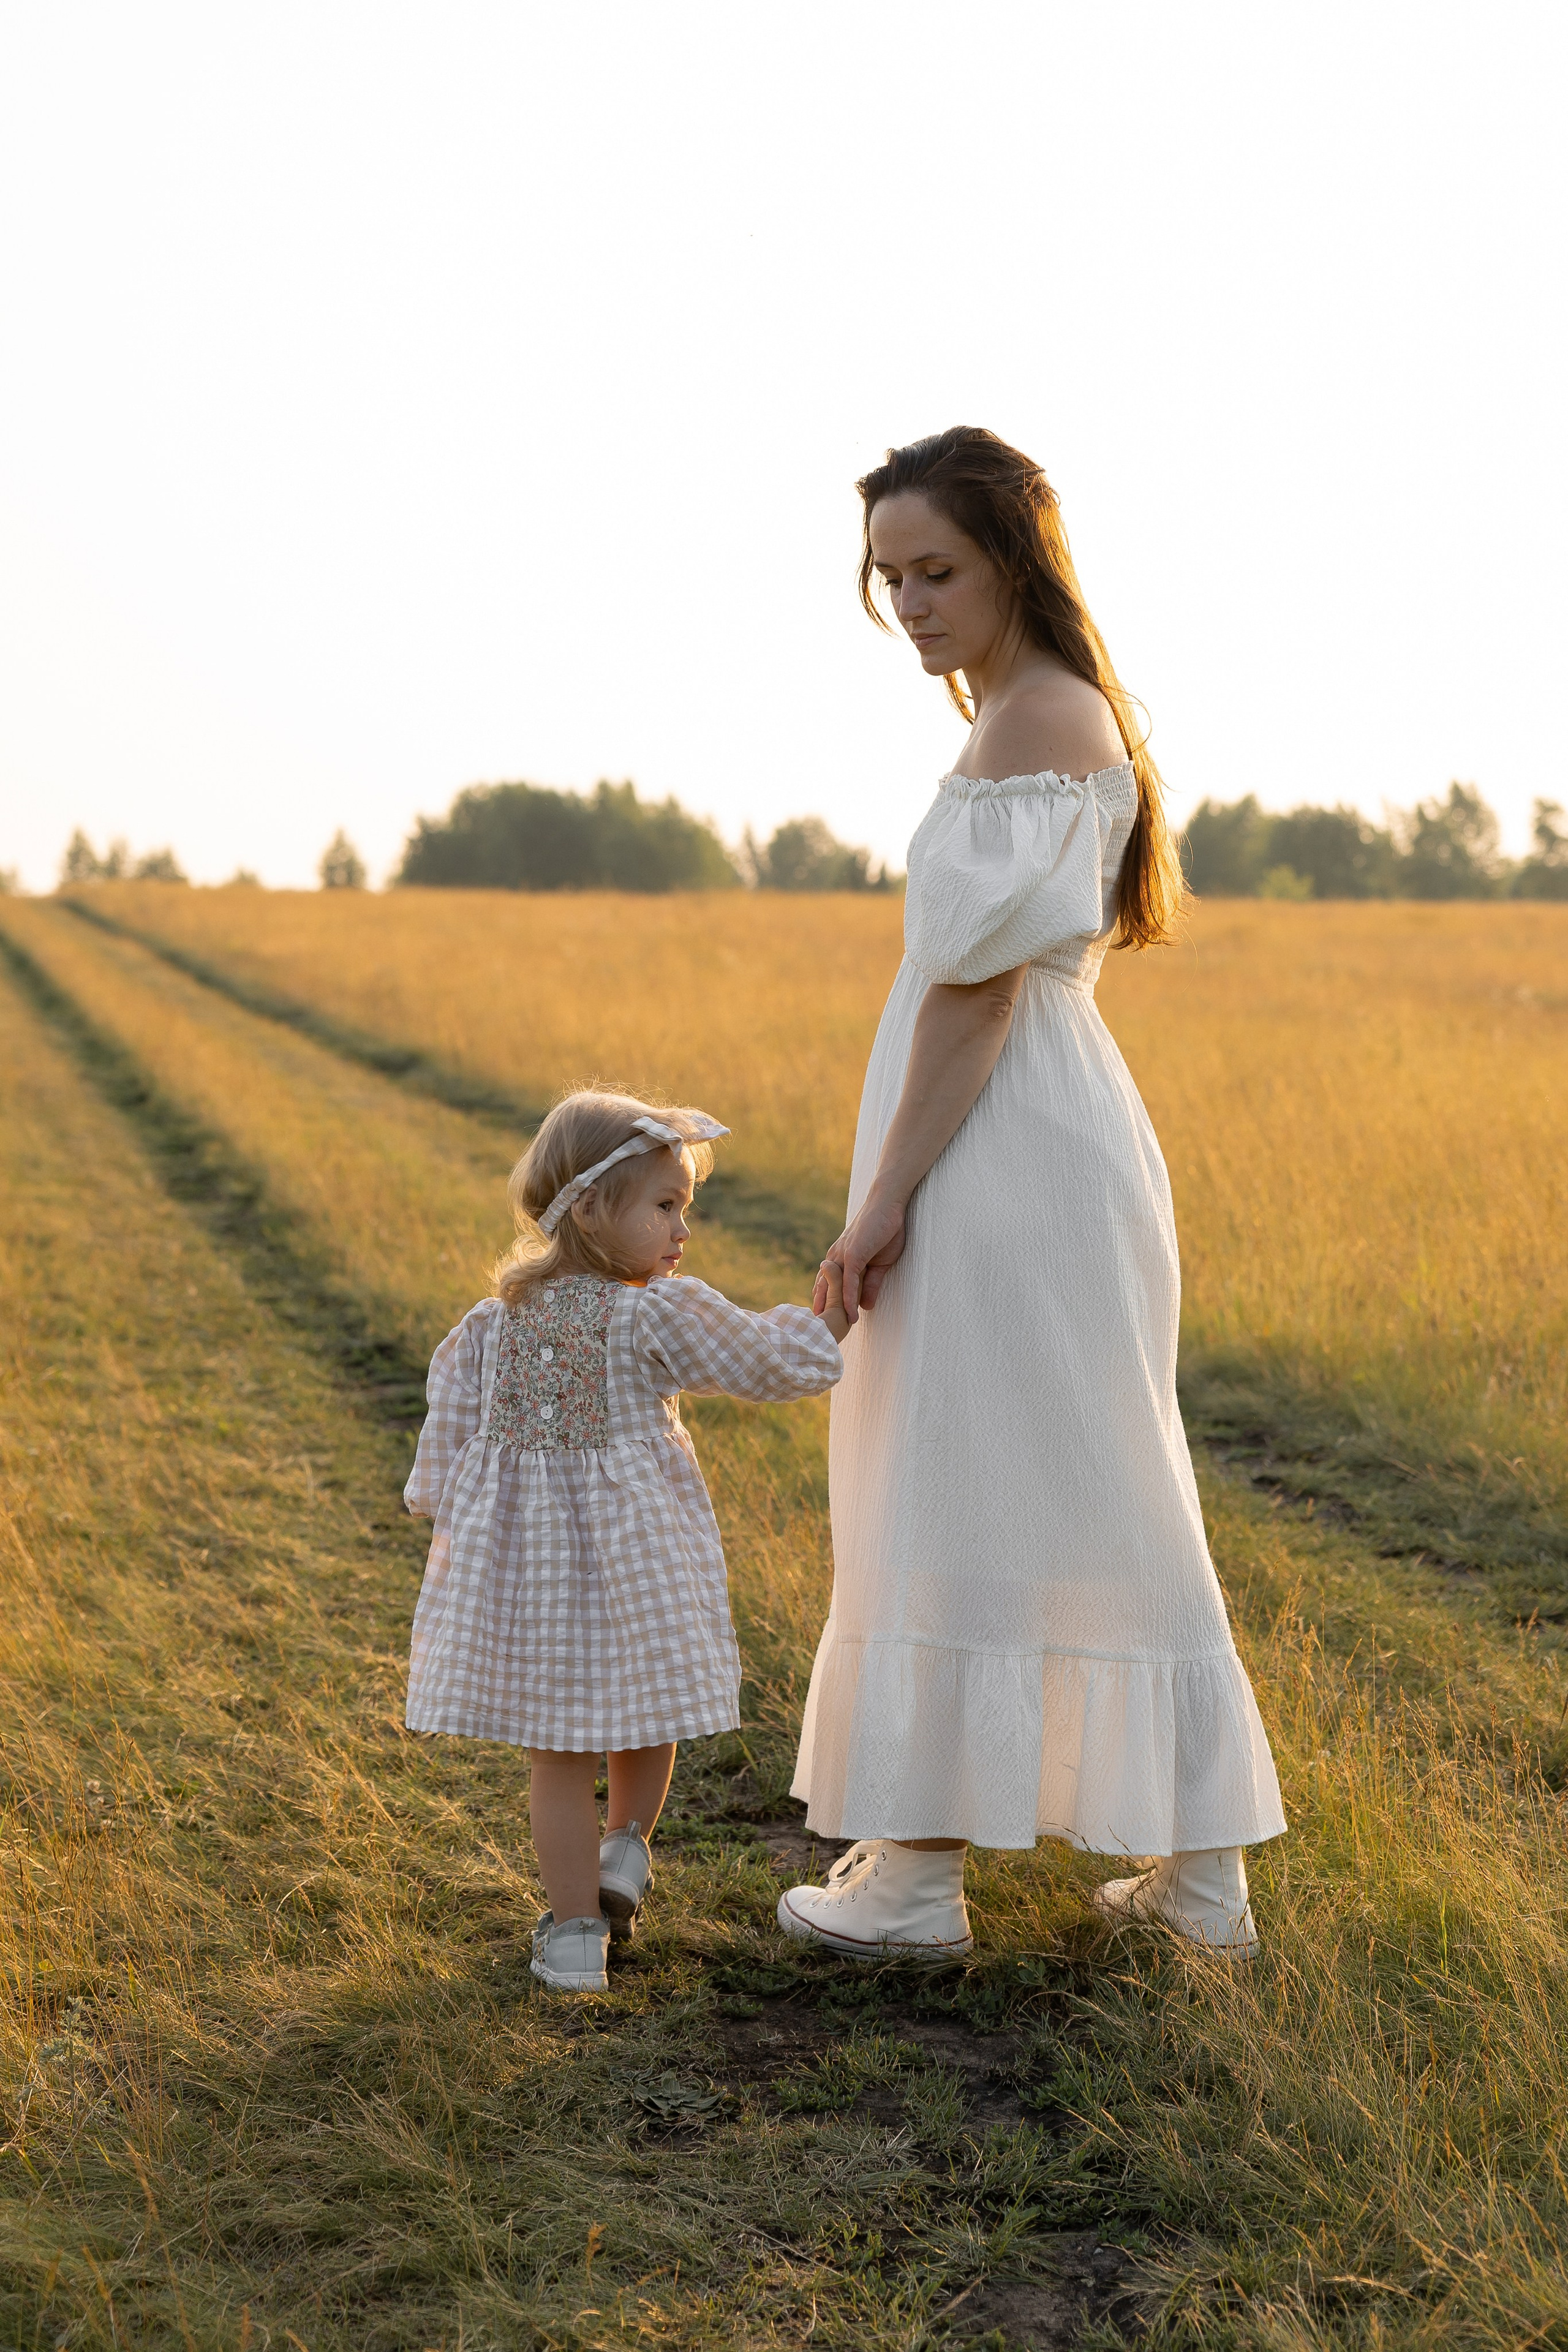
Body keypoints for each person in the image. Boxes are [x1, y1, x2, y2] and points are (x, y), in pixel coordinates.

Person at [777, 427, 1285, 1961]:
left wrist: (881, 1202)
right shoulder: (1039, 707)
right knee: (1076, 1476)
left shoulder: (1034, 716)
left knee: (954, 1471)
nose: (910, 605)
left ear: (1013, 557)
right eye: (889, 579)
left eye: (935, 570)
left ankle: (918, 1882)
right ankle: (1194, 1884)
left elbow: (976, 993)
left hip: (998, 1144)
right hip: (1034, 1137)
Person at [404, 1090, 848, 1994]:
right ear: (592, 1210)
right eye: (665, 1205)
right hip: (640, 1562)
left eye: (686, 1205)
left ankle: (576, 1936)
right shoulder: (651, 1316)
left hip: (530, 1578)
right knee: (648, 1709)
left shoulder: (489, 1324)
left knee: (557, 1756)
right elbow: (768, 1361)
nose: (683, 1228)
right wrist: (834, 1318)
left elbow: (443, 1449)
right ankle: (626, 1850)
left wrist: (446, 1517)